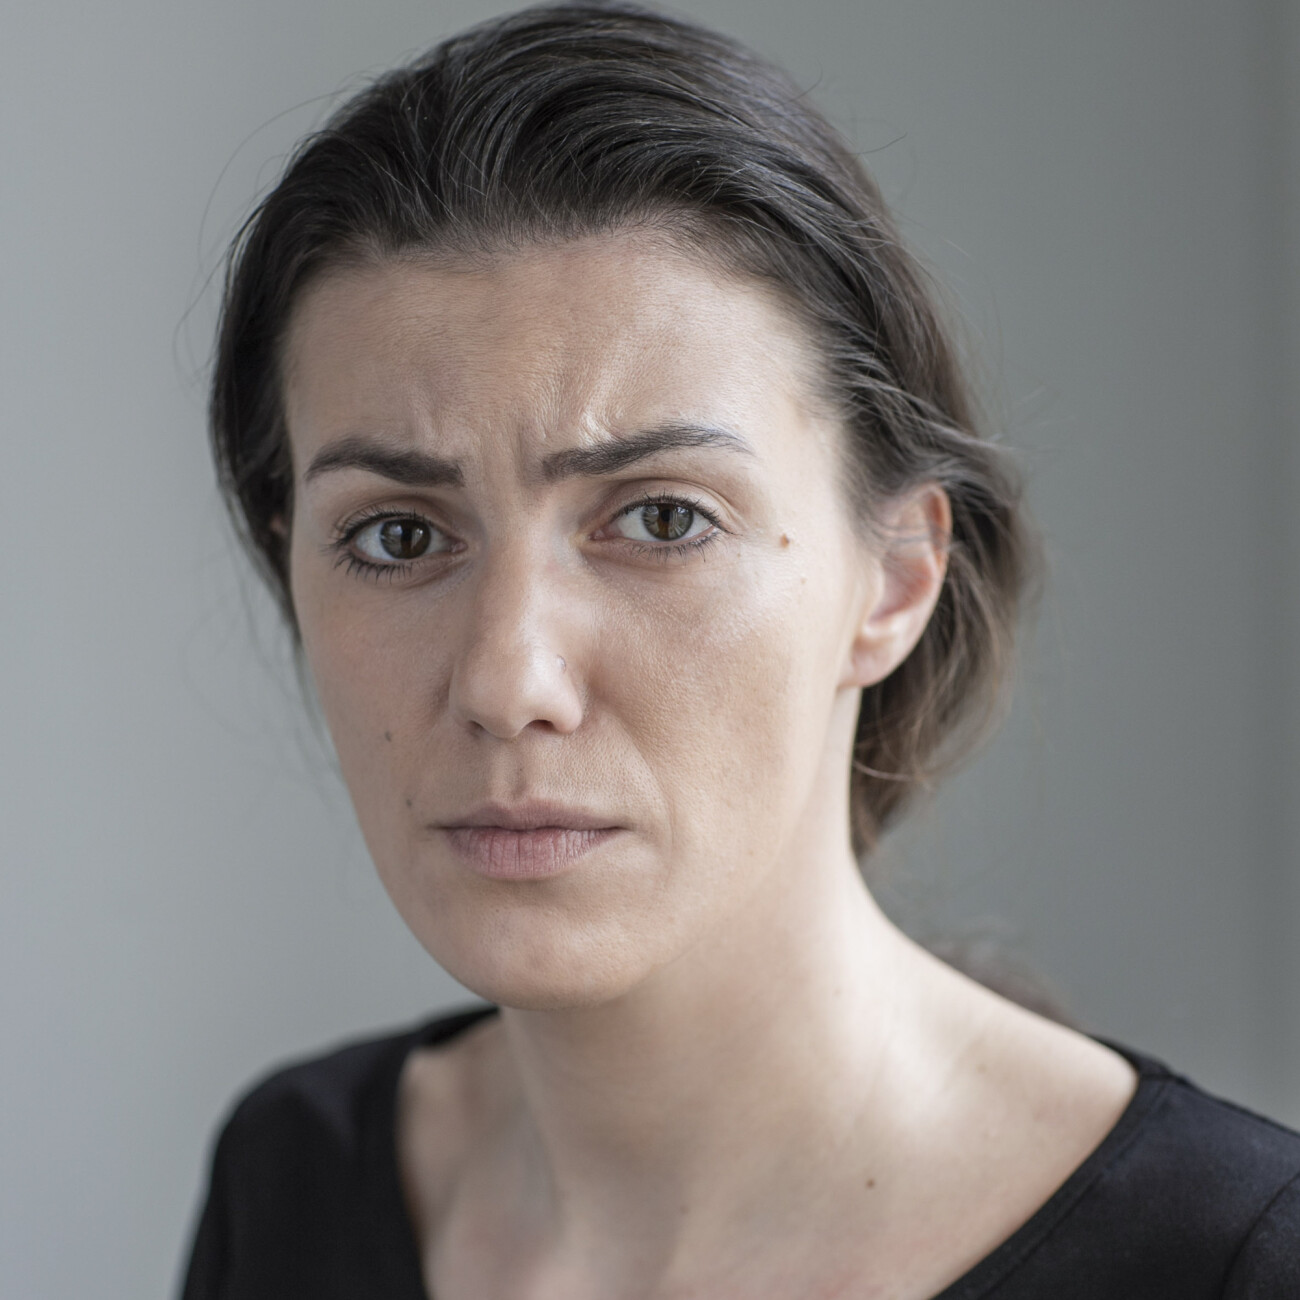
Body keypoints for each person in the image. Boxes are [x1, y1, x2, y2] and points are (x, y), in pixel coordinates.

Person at [179, 4, 1300, 1296]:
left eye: (662, 519)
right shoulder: (294, 1185)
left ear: (895, 577)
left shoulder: (1231, 1264)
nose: (506, 680)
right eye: (397, 536)